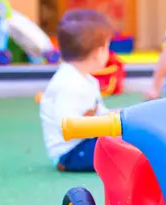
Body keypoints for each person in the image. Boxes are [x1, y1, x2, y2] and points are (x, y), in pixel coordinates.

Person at [39, 10, 114, 172]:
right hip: (70, 153)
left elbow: (100, 114)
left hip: (85, 144)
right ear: (99, 52)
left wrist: (119, 117)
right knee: (120, 149)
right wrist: (108, 127)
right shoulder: (68, 83)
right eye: (108, 46)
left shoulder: (86, 80)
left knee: (124, 140)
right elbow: (67, 126)